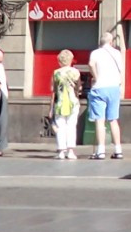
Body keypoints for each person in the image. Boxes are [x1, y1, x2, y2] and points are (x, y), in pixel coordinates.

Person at [87, 29, 125, 161]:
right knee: (113, 120)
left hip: (99, 88)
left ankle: (101, 150)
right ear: (111, 42)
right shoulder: (117, 53)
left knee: (100, 120)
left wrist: (95, 76)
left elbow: (91, 64)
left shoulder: (96, 53)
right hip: (114, 88)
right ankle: (118, 150)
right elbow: (121, 70)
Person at [49, 52, 82, 159]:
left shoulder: (56, 73)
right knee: (71, 126)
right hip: (73, 103)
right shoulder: (76, 72)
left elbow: (53, 91)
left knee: (60, 127)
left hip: (60, 103)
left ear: (59, 61)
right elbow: (79, 89)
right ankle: (71, 151)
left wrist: (50, 108)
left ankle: (61, 151)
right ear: (71, 60)